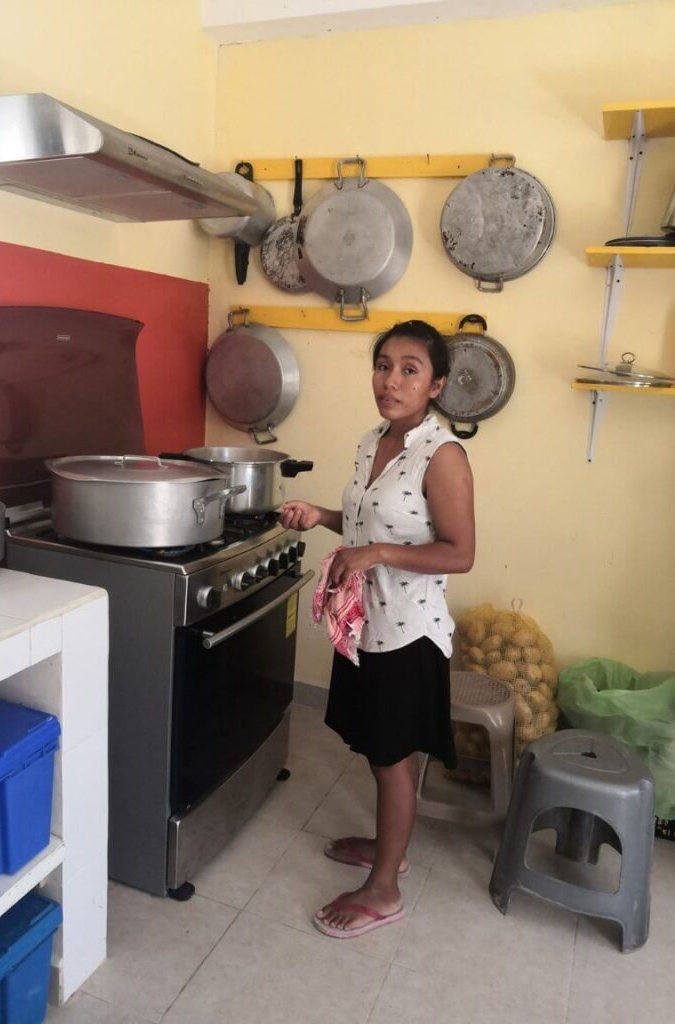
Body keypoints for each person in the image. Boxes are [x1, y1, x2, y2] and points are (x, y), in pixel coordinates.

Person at [280, 319, 475, 939]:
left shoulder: (442, 454)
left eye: (409, 369)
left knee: (394, 759)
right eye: (383, 364)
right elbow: (369, 521)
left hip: (409, 633)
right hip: (365, 623)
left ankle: (385, 887)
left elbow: (459, 552)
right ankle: (390, 844)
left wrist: (379, 555)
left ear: (436, 383)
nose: (391, 380)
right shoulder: (373, 441)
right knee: (376, 746)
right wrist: (322, 516)